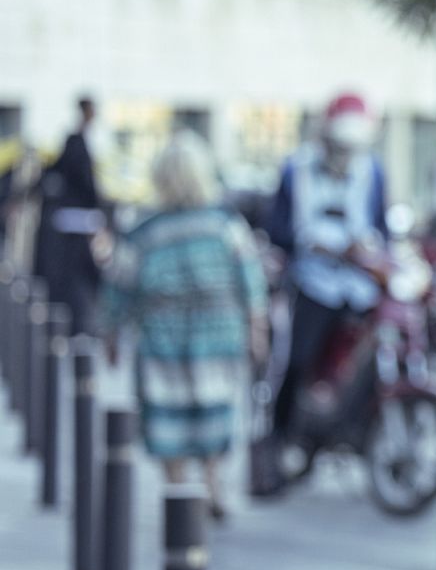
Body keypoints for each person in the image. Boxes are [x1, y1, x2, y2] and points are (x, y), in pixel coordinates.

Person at [101, 131, 268, 520]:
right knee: (215, 409)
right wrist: (256, 329)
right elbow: (251, 280)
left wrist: (110, 331)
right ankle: (212, 485)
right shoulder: (225, 224)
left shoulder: (143, 231)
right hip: (219, 331)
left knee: (166, 414)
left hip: (163, 336)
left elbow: (119, 287)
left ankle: (177, 491)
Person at [262, 93, 387, 470]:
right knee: (297, 359)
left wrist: (366, 250)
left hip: (359, 284)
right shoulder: (295, 170)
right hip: (313, 281)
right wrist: (314, 245)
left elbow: (379, 226)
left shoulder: (372, 172)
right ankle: (277, 435)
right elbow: (279, 228)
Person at [34, 96, 103, 336]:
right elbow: (80, 180)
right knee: (77, 276)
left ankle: (77, 323)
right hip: (76, 221)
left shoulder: (78, 140)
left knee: (78, 276)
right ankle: (75, 324)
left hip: (77, 219)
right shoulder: (75, 140)